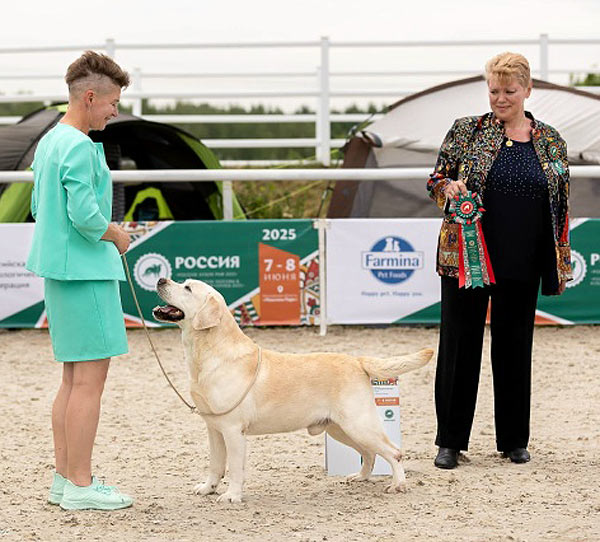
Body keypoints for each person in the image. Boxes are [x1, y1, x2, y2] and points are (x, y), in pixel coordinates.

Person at [427, 52, 572, 469]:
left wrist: (558, 259)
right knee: (459, 347)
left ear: (528, 90)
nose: (501, 98)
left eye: (509, 91)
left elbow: (561, 203)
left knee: (515, 348)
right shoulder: (466, 131)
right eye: (494, 90)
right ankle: (450, 442)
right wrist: (448, 189)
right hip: (467, 258)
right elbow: (435, 179)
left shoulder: (551, 140)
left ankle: (513, 440)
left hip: (524, 260)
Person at [26, 51, 134, 508]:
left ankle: (65, 479)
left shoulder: (51, 141)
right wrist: (116, 234)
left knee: (72, 380)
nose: (115, 112)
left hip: (61, 271)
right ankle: (81, 485)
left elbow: (38, 206)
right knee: (89, 382)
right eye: (113, 103)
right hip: (86, 273)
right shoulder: (77, 145)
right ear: (90, 97)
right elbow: (87, 217)